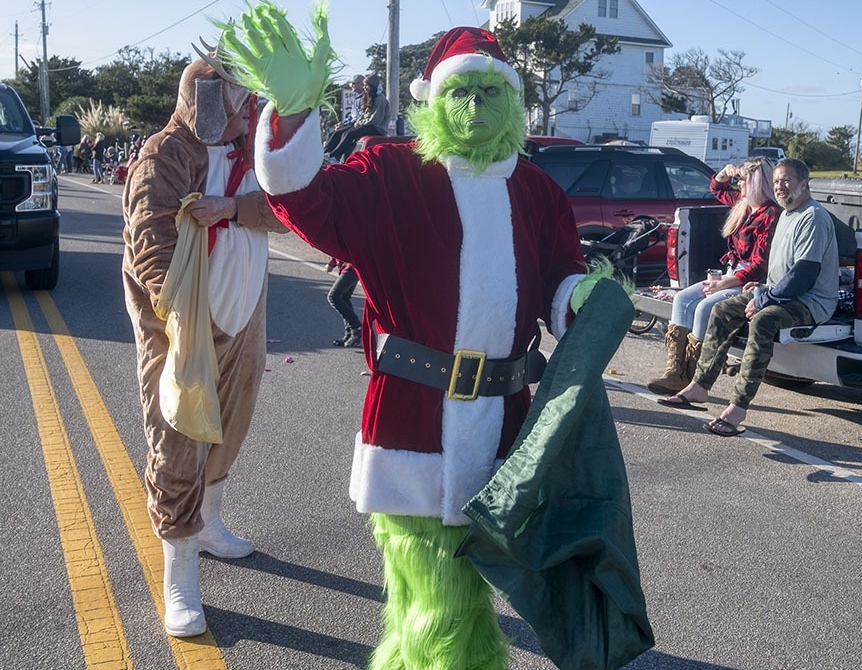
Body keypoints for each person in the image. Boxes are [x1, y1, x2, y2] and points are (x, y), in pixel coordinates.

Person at [219, 11, 610, 669]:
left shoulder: (538, 190)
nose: (477, 103)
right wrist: (290, 117)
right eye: (463, 90)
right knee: (443, 603)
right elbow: (306, 200)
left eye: (492, 91)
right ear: (434, 98)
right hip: (414, 423)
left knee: (433, 601)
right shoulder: (392, 172)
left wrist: (582, 298)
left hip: (505, 423)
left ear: (513, 101)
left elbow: (560, 276)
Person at [121, 43, 286, 638]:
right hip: (185, 318)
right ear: (208, 96)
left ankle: (209, 522)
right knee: (178, 435)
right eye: (237, 100)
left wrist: (233, 208)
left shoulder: (253, 154)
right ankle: (180, 571)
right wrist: (175, 312)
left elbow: (285, 208)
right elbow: (149, 235)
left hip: (243, 311)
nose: (247, 113)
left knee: (232, 417)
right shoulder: (167, 153)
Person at [659, 158, 839, 436]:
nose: (780, 187)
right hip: (778, 292)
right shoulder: (787, 212)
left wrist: (764, 299)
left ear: (804, 184)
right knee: (721, 311)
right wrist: (760, 286)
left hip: (811, 301)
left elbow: (804, 274)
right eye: (777, 181)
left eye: (787, 181)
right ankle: (699, 387)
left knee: (763, 320)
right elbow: (780, 268)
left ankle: (737, 408)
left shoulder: (812, 217)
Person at [647, 156, 780, 395]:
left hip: (751, 282)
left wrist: (725, 284)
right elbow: (716, 188)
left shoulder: (770, 213)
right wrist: (724, 173)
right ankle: (674, 371)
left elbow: (761, 264)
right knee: (683, 299)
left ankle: (691, 377)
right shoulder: (743, 203)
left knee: (704, 307)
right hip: (732, 272)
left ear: (756, 183)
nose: (738, 184)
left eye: (743, 180)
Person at [324, 73, 390, 162]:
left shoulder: (380, 99)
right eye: (365, 85)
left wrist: (360, 123)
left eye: (367, 85)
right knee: (343, 133)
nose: (365, 87)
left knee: (349, 134)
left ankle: (336, 156)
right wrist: (358, 121)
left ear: (373, 86)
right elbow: (363, 114)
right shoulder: (371, 97)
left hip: (377, 128)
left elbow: (375, 119)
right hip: (369, 125)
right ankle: (329, 154)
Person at [324, 256, 362, 347]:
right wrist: (332, 263)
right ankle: (350, 334)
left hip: (352, 266)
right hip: (349, 265)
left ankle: (357, 328)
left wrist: (332, 263)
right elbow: (337, 247)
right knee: (344, 297)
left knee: (333, 297)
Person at [323, 73, 364, 151]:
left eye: (354, 83)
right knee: (332, 133)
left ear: (361, 84)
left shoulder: (365, 98)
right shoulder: (356, 97)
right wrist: (342, 123)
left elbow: (359, 116)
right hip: (352, 123)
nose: (352, 85)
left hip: (357, 124)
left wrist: (346, 124)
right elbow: (352, 115)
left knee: (342, 134)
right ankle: (325, 153)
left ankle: (333, 155)